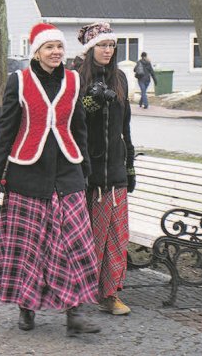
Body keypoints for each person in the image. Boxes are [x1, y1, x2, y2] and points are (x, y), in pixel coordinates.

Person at [0, 22, 100, 336]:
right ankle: (27, 306)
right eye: (49, 47)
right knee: (30, 246)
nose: (56, 53)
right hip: (28, 172)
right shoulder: (19, 82)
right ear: (36, 51)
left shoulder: (74, 81)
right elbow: (5, 131)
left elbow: (79, 129)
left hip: (68, 172)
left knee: (74, 243)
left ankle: (75, 313)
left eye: (60, 47)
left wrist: (85, 167)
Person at [76, 21, 135, 316]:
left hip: (116, 171)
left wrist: (130, 164)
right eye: (102, 45)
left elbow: (126, 126)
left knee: (117, 236)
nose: (109, 51)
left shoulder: (121, 79)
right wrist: (92, 101)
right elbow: (74, 121)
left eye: (112, 45)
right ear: (90, 50)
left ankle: (110, 292)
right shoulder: (77, 79)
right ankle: (81, 291)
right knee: (93, 238)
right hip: (90, 173)